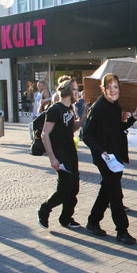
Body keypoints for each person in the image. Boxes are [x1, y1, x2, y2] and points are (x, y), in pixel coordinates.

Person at [82, 73, 137, 245]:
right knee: (115, 193)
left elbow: (117, 129)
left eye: (116, 87)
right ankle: (122, 231)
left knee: (107, 190)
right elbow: (87, 135)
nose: (113, 90)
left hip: (115, 156)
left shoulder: (115, 106)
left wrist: (132, 119)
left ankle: (93, 221)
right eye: (109, 87)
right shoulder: (99, 107)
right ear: (103, 89)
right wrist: (102, 152)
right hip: (105, 157)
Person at [37, 77, 87, 229]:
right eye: (75, 90)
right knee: (64, 189)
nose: (78, 93)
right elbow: (45, 134)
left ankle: (66, 218)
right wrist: (52, 158)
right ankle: (44, 209)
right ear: (68, 91)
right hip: (60, 153)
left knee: (74, 188)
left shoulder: (70, 108)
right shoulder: (55, 109)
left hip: (71, 151)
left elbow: (72, 128)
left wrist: (84, 115)